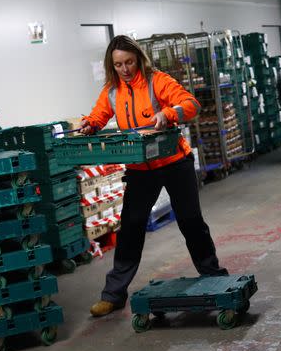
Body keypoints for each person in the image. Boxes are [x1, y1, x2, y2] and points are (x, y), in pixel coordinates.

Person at [80, 35, 228, 317]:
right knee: (131, 226)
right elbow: (98, 115)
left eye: (129, 62)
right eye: (118, 64)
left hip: (173, 161)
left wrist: (170, 113)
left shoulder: (156, 81)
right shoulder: (112, 90)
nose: (125, 69)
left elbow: (191, 104)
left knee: (190, 220)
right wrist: (90, 124)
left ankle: (214, 276)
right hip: (140, 168)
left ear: (139, 59)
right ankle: (113, 294)